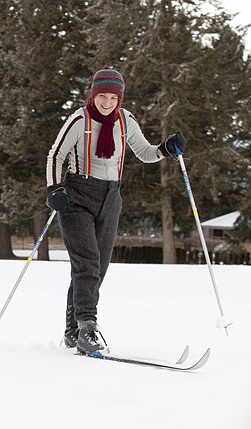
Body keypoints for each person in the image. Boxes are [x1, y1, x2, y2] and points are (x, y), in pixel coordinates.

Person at [45, 67, 186, 355]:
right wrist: (54, 189)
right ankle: (87, 328)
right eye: (102, 96)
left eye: (113, 97)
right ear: (93, 95)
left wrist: (166, 149)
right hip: (78, 196)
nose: (107, 103)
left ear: (119, 98)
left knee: (98, 268)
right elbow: (55, 155)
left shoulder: (126, 121)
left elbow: (146, 153)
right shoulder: (79, 120)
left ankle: (73, 332)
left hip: (111, 197)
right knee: (87, 264)